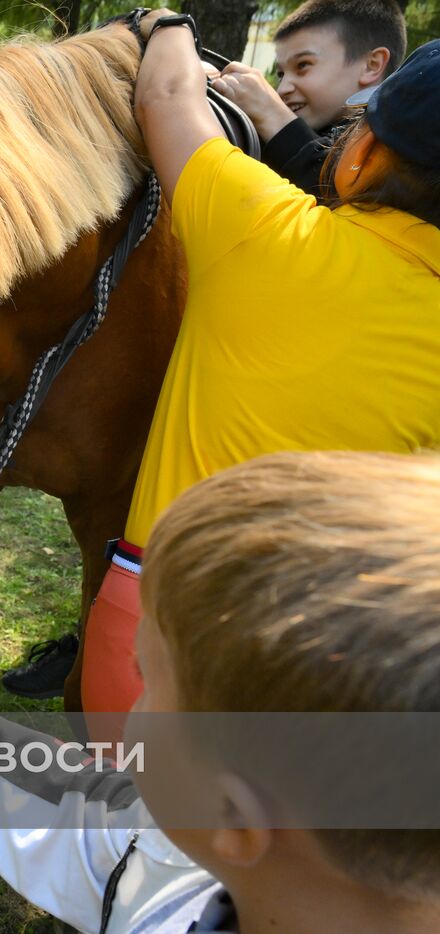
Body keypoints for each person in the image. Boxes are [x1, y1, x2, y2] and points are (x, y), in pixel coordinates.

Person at [0, 449, 440, 933]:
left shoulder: (165, 888)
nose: (135, 702)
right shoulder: (183, 853)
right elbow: (73, 804)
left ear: (233, 817)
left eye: (149, 685)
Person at [68, 15, 440, 727]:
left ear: (361, 160)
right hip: (336, 674)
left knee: (118, 829)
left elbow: (167, 96)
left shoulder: (265, 231)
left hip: (155, 640)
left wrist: (162, 21)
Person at [214, 0, 407, 196]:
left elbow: (344, 195)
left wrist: (271, 114)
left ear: (371, 65)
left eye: (303, 65)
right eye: (281, 74)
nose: (282, 90)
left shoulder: (404, 150)